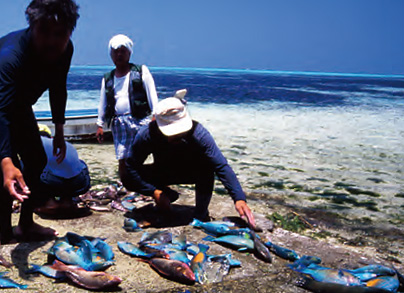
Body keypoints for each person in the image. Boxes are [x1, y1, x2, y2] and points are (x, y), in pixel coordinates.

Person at [0, 0, 80, 245]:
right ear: (32, 26)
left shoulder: (65, 50)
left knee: (37, 159)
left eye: (59, 34)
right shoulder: (13, 54)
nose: (51, 41)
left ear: (70, 32)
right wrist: (6, 160)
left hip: (18, 103)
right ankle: (6, 235)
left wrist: (59, 130)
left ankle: (26, 224)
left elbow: (58, 88)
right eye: (44, 32)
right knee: (3, 168)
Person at [122, 90, 257, 229]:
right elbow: (131, 166)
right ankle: (167, 195)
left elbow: (221, 166)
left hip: (189, 171)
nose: (176, 136)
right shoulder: (146, 135)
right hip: (163, 170)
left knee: (208, 167)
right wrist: (153, 191)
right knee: (126, 176)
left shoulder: (199, 134)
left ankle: (200, 213)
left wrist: (239, 198)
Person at [95, 34, 159, 179]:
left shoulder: (141, 71)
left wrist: (155, 115)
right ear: (110, 54)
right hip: (119, 123)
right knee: (122, 157)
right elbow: (103, 103)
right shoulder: (108, 78)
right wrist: (100, 125)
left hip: (140, 120)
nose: (119, 55)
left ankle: (149, 183)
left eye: (122, 51)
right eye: (115, 52)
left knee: (143, 153)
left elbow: (152, 94)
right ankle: (126, 184)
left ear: (129, 53)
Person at [34, 125, 91, 217]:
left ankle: (49, 202)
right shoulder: (65, 143)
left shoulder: (35, 143)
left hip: (54, 182)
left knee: (26, 165)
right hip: (80, 182)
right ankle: (67, 201)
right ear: (50, 136)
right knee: (73, 166)